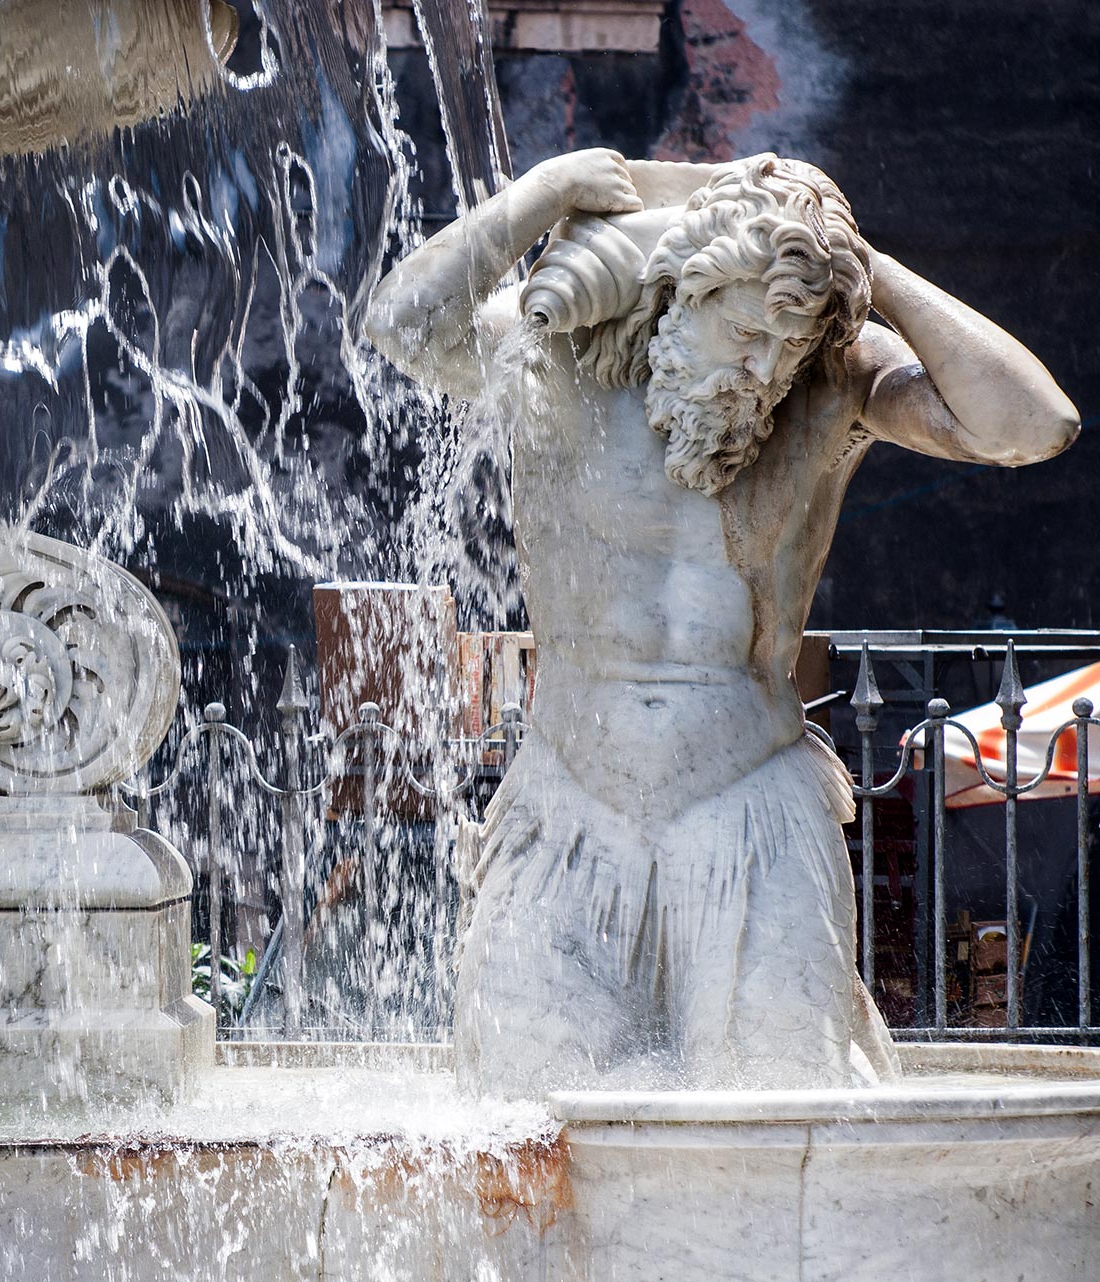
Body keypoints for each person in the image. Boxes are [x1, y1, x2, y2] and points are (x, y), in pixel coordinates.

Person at [367, 150, 1080, 1091]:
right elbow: (401, 324)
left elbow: (1032, 424)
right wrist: (545, 192)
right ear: (683, 286)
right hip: (572, 806)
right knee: (525, 1113)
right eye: (746, 331)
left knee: (776, 1107)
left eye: (788, 345)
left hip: (750, 807)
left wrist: (867, 267)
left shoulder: (831, 381)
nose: (763, 369)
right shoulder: (555, 355)